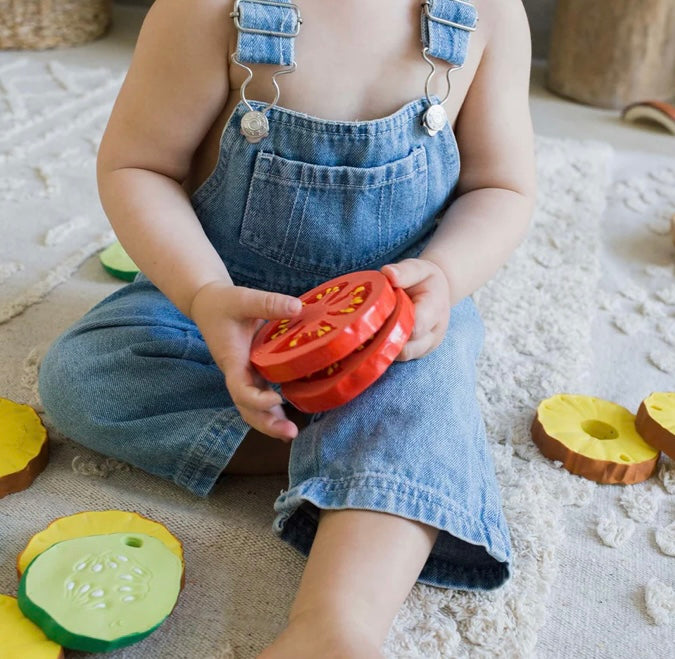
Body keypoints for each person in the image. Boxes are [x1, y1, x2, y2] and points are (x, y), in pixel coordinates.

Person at [38, 0, 536, 656]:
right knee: (84, 376)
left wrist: (442, 273)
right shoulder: (207, 10)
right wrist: (204, 292)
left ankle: (335, 622)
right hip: (228, 294)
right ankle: (365, 446)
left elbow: (499, 187)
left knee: (423, 377)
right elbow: (138, 167)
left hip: (394, 322)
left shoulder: (487, 14)